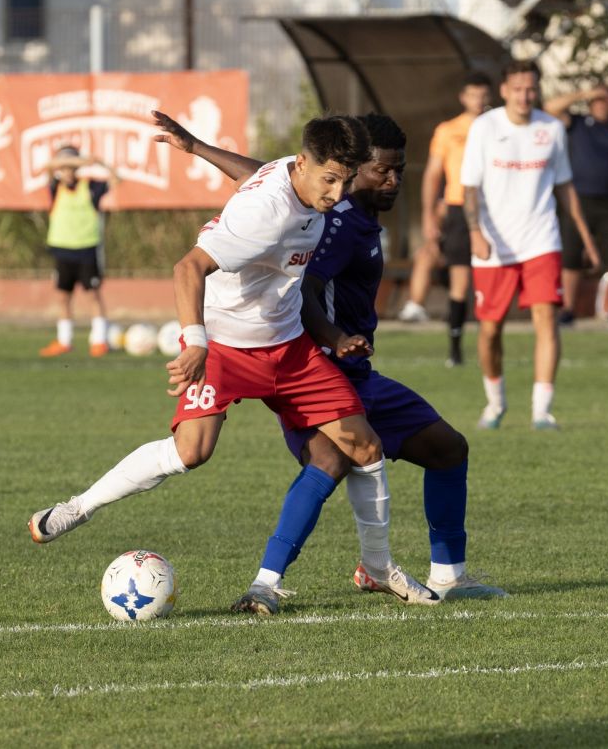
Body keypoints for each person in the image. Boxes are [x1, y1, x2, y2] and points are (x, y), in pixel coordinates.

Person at [28, 116, 437, 615]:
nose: (337, 193)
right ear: (305, 166)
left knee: (364, 444)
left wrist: (197, 146)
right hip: (224, 345)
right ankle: (78, 508)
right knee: (191, 452)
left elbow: (256, 170)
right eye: (329, 179)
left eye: (345, 180)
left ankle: (377, 567)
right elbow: (188, 268)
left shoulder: (294, 172)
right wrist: (196, 342)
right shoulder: (262, 217)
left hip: (288, 345)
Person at [157, 110, 506, 601]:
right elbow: (307, 286)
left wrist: (197, 148)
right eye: (382, 169)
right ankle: (270, 583)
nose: (392, 179)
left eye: (400, 169)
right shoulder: (336, 224)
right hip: (318, 368)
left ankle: (440, 575)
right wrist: (335, 337)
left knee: (442, 450)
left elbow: (264, 172)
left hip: (355, 372)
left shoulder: (350, 216)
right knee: (331, 460)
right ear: (353, 169)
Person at [460, 59, 600, 431]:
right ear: (505, 90)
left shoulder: (551, 128)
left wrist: (585, 238)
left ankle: (542, 411)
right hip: (494, 243)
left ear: (538, 90)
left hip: (541, 239)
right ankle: (495, 403)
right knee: (490, 330)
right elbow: (469, 186)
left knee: (546, 320)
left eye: (531, 89)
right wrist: (475, 232)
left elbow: (565, 186)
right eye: (518, 88)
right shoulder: (484, 127)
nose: (525, 96)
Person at [399, 71, 494, 368]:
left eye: (483, 94)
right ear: (463, 97)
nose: (478, 100)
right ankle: (455, 349)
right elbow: (433, 173)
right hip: (457, 208)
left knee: (491, 280)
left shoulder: (498, 127)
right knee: (459, 278)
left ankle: (491, 345)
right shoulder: (448, 130)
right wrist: (429, 214)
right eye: (473, 94)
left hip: (495, 208)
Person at [544, 83, 608, 328]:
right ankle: (568, 309)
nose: (601, 104)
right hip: (579, 202)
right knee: (571, 257)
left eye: (606, 99)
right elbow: (549, 108)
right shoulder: (577, 124)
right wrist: (584, 94)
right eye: (597, 100)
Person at [37, 146, 119, 358]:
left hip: (87, 249)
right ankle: (64, 340)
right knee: (63, 297)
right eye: (63, 165)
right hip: (62, 250)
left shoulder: (90, 186)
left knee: (93, 295)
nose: (67, 170)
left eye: (70, 165)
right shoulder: (56, 187)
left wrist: (98, 162)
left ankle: (99, 340)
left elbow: (116, 179)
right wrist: (79, 161)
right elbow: (47, 168)